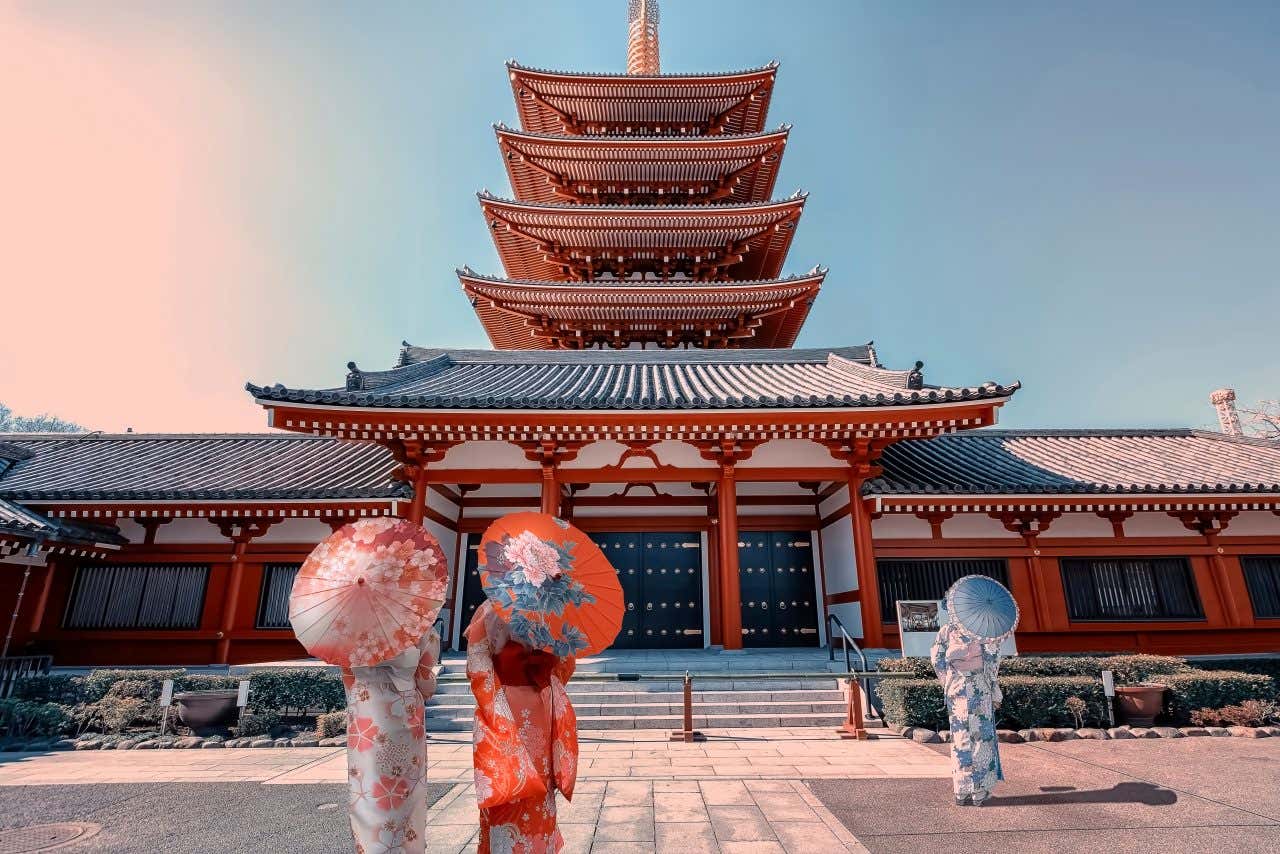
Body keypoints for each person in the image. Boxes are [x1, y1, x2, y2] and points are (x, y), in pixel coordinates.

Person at [465, 600, 578, 854]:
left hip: (502, 702)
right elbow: (566, 666)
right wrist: (544, 683)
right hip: (540, 704)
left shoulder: (489, 610)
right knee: (540, 787)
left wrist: (492, 705)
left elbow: (476, 667)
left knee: (506, 779)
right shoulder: (552, 608)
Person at [341, 627, 441, 853]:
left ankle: (372, 846)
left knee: (367, 785)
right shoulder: (416, 622)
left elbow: (346, 673)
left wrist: (360, 692)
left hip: (365, 708)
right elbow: (425, 681)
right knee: (406, 789)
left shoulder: (349, 624)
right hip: (403, 708)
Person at [931, 621, 1004, 806]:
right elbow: (993, 660)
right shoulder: (981, 631)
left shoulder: (946, 631)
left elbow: (937, 660)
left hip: (962, 685)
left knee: (968, 738)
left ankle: (965, 790)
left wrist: (947, 680)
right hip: (974, 685)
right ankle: (973, 789)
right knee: (971, 738)